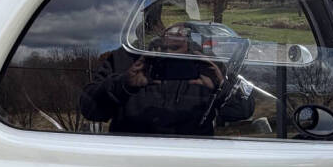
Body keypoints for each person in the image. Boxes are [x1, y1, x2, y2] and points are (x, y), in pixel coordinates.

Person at [79, 26, 254, 136]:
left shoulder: (204, 63)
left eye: (182, 31)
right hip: (131, 158)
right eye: (166, 29)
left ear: (190, 38)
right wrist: (124, 84)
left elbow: (243, 112)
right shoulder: (127, 58)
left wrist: (222, 88)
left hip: (193, 161)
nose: (174, 35)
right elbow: (90, 109)